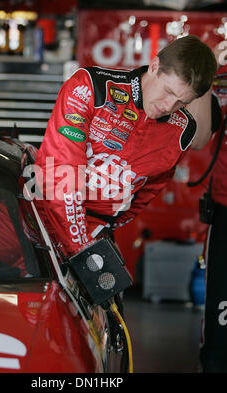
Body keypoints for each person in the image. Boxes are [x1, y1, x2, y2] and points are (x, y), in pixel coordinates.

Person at [33, 35, 217, 258]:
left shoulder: (181, 130)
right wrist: (80, 248)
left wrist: (102, 230)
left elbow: (146, 192)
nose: (169, 106)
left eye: (182, 102)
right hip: (36, 219)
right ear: (154, 66)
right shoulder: (92, 87)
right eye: (168, 91)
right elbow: (60, 175)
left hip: (94, 234)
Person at [188, 41, 227, 372]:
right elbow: (199, 139)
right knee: (221, 307)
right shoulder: (221, 76)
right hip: (225, 210)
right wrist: (207, 76)